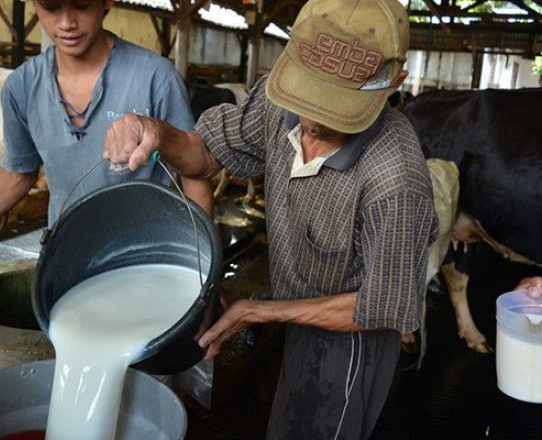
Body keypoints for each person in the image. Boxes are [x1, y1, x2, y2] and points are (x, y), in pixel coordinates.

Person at [104, 0, 438, 438]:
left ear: (395, 83)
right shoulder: (277, 102)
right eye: (307, 96)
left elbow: (380, 308)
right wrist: (156, 132)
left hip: (351, 347)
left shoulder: (396, 177)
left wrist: (259, 311)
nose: (311, 123)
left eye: (335, 107)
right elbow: (204, 156)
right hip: (292, 312)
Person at [0, 0, 212, 284]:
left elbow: (194, 176)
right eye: (51, 7)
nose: (66, 23)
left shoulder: (155, 77)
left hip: (146, 259)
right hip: (66, 257)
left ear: (106, 1)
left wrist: (203, 273)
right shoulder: (22, 86)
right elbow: (19, 173)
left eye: (80, 5)